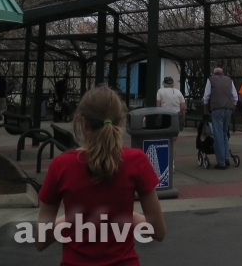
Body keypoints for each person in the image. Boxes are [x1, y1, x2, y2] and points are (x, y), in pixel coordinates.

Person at [37, 85, 166, 265]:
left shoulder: (61, 165)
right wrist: (126, 216)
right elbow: (158, 231)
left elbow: (42, 240)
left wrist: (73, 219)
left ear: (82, 122)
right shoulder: (136, 161)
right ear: (120, 121)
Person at [202, 67, 237, 169]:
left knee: (218, 136)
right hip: (228, 109)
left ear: (214, 73)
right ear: (223, 73)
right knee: (225, 134)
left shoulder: (211, 80)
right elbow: (235, 97)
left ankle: (221, 163)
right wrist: (232, 110)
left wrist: (205, 111)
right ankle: (226, 157)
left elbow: (206, 96)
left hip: (217, 109)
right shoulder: (229, 80)